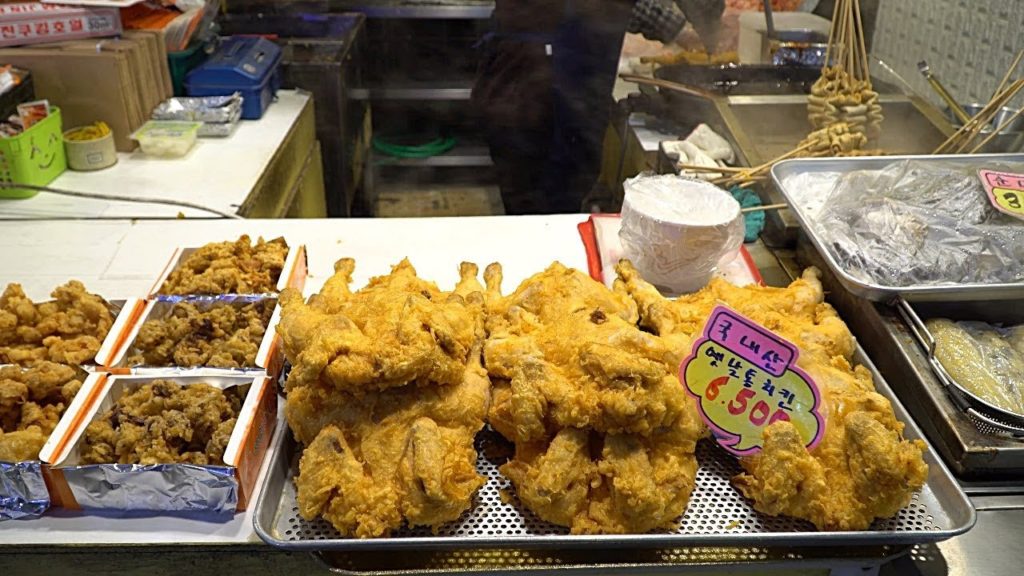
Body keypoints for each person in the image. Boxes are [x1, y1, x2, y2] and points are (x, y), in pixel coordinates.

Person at [472, 0, 725, 215]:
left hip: (556, 77)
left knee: (555, 194)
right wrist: (686, 26)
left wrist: (687, 26)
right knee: (539, 198)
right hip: (537, 78)